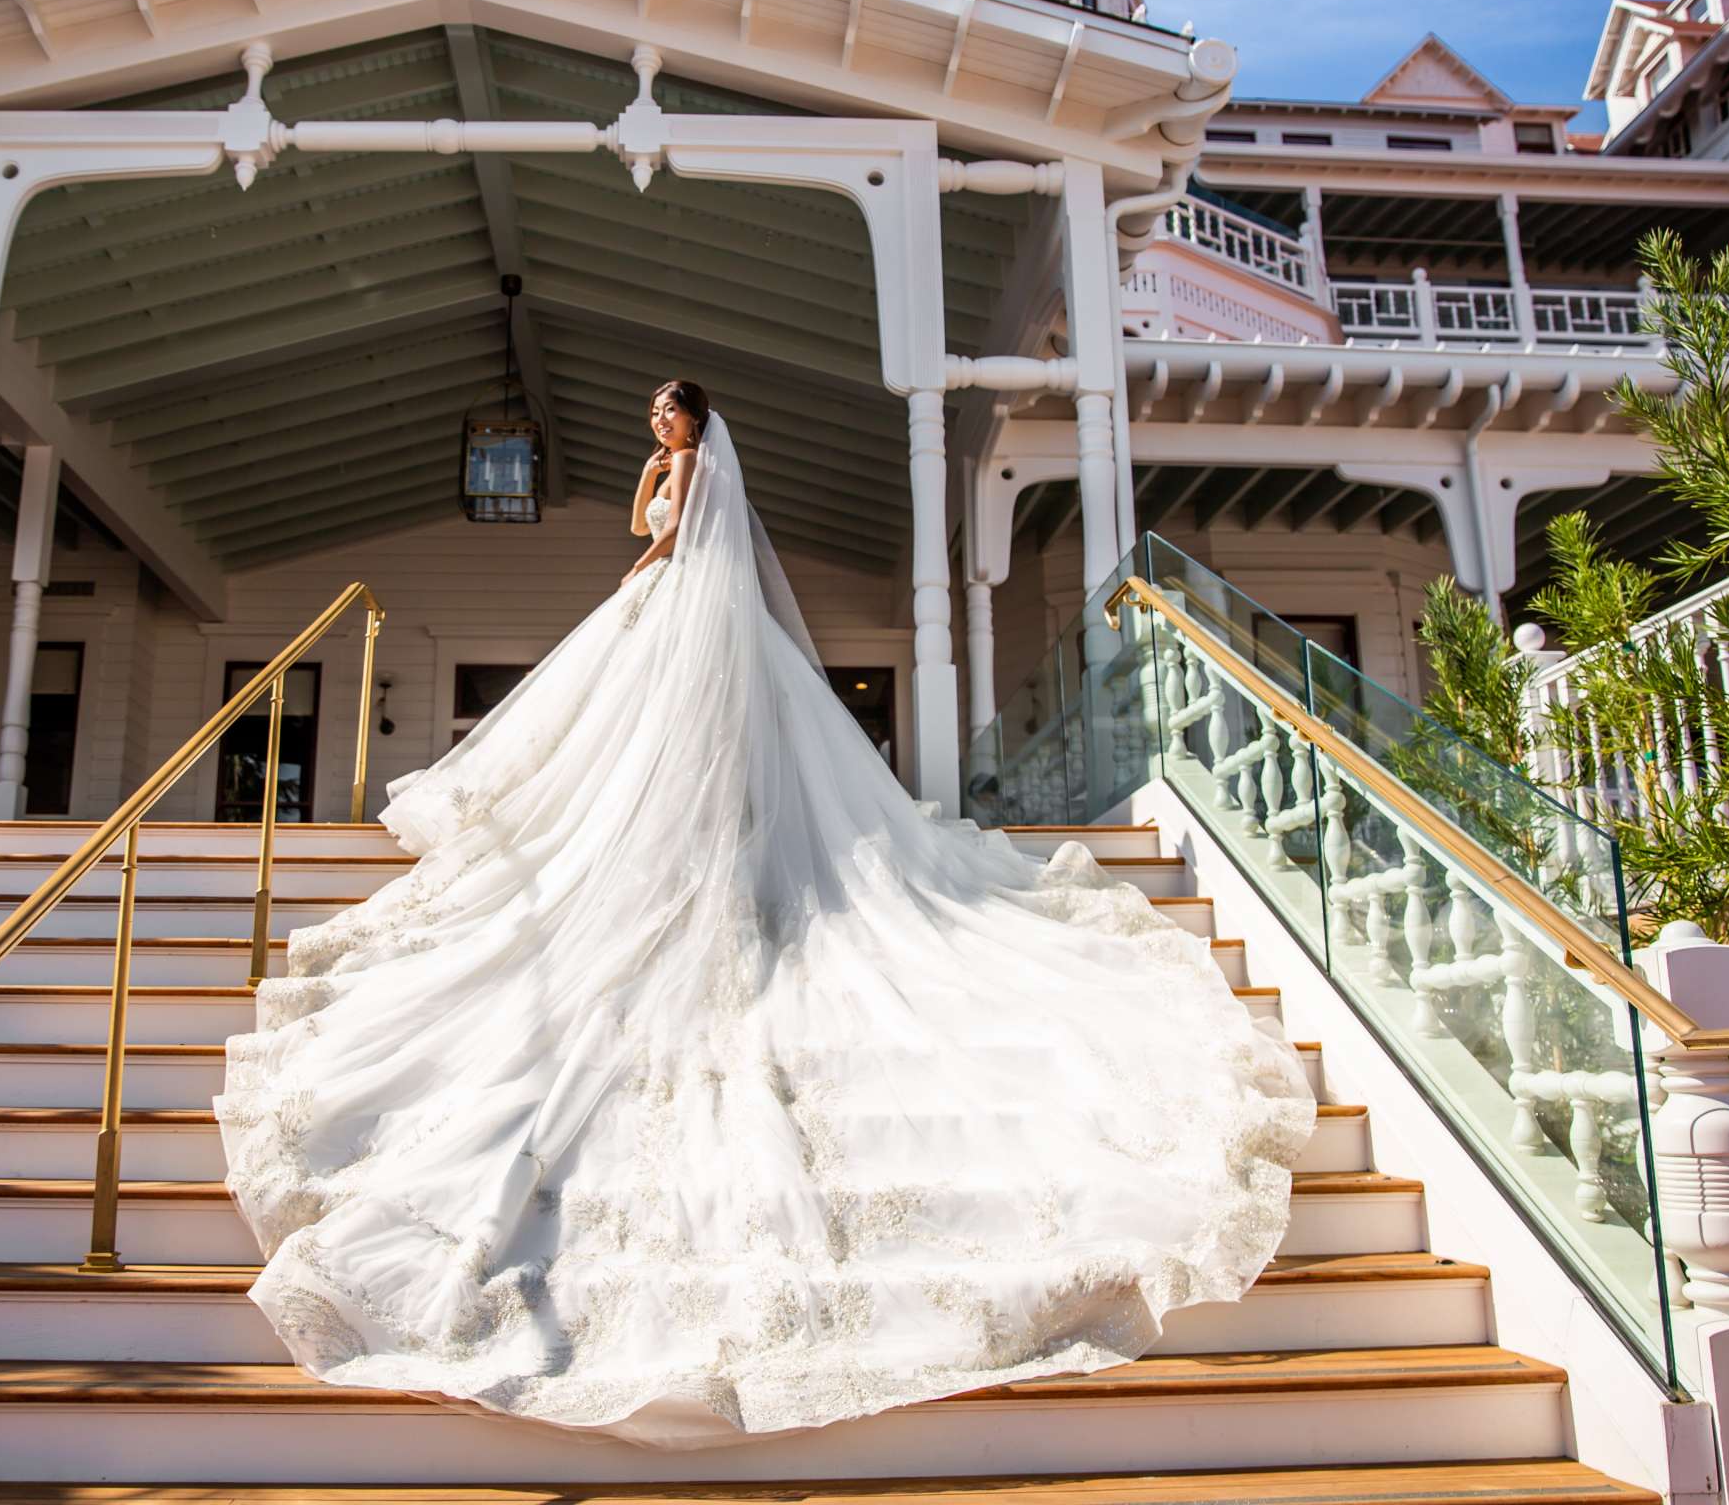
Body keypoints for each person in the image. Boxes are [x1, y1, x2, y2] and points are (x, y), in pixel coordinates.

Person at [218, 380, 1315, 1449]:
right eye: (651, 415)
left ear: (695, 421)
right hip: (664, 616)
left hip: (669, 613)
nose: (655, 425)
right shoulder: (672, 461)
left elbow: (666, 544)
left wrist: (641, 554)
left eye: (666, 414)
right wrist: (649, 489)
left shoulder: (693, 469)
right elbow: (652, 520)